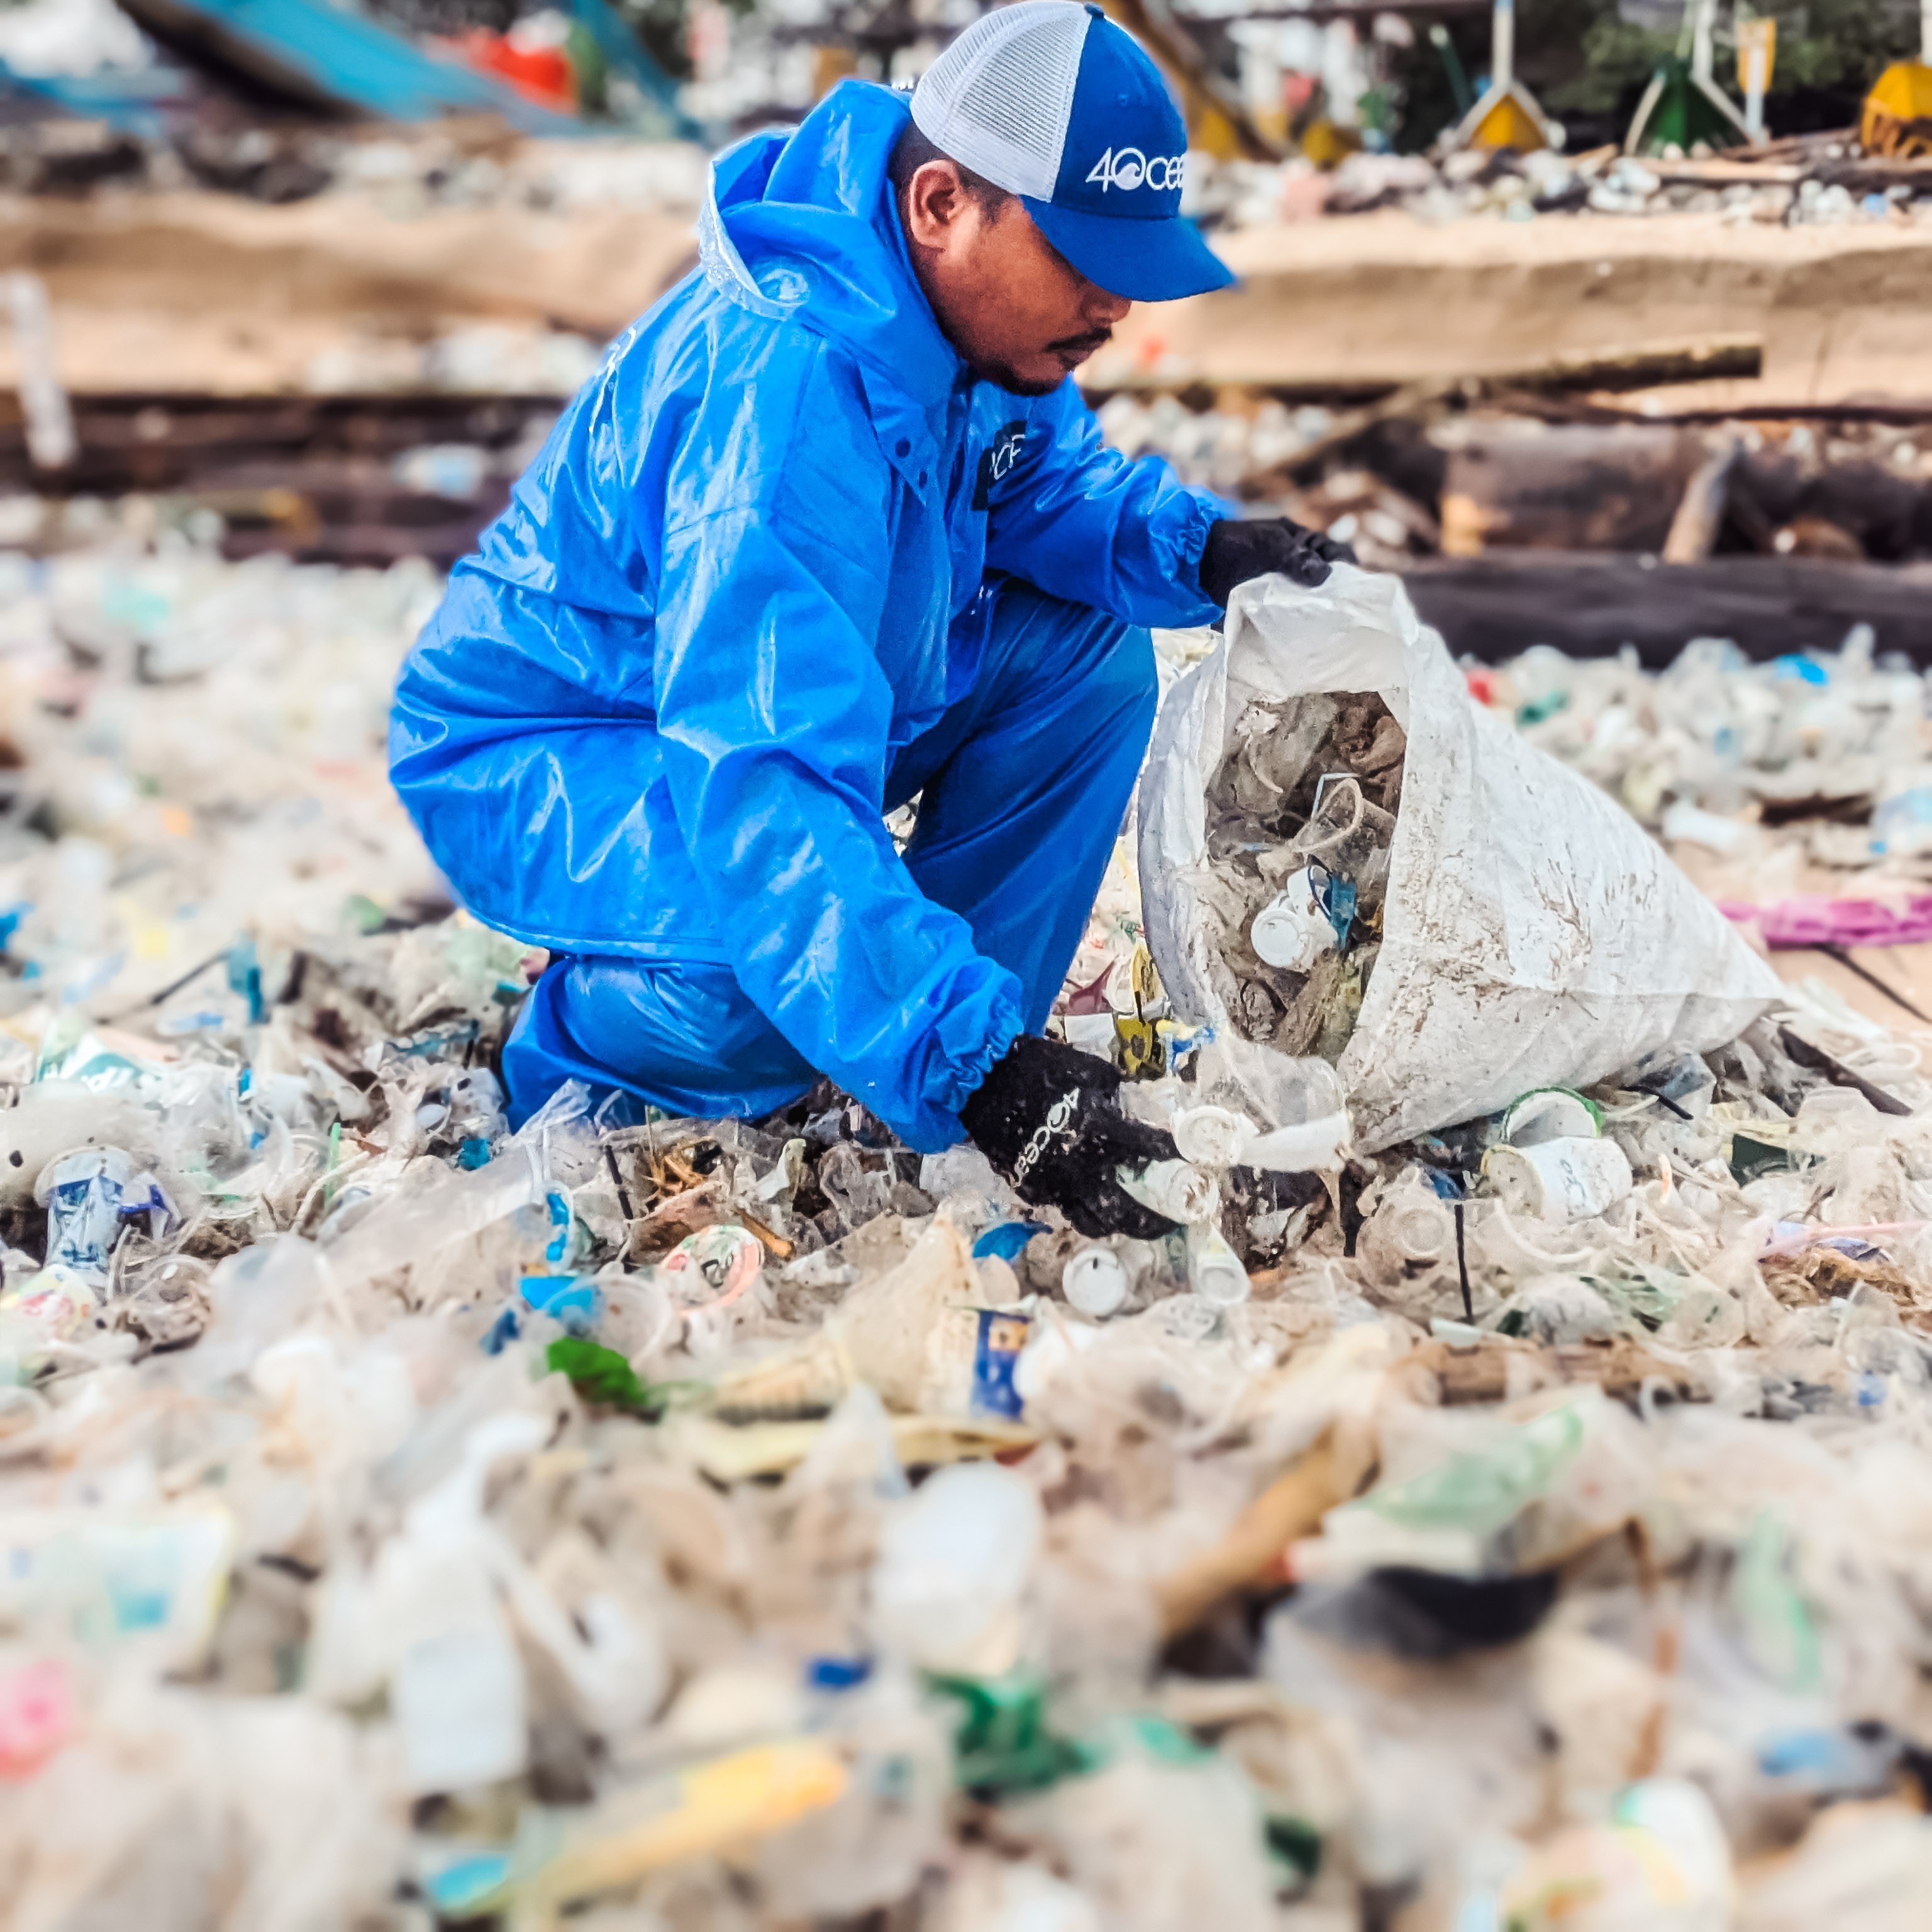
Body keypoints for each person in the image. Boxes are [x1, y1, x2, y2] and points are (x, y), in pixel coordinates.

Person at [389, 1, 1348, 1236]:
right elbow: (767, 779)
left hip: (780, 699)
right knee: (755, 980)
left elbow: (1040, 483)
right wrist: (978, 1071)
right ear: (942, 203)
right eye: (1081, 257)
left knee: (1088, 655)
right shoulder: (786, 397)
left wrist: (1201, 549)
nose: (1114, 302)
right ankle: (585, 1061)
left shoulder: (971, 323)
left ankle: (939, 1066)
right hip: (567, 742)